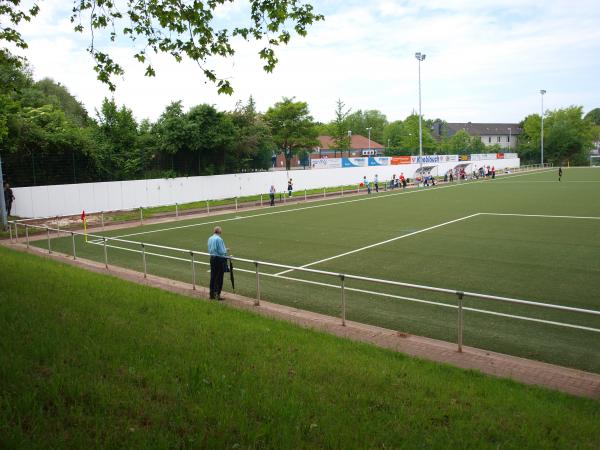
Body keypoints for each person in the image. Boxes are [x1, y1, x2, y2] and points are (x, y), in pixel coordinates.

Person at [207, 226, 228, 300]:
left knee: (213, 277)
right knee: (219, 278)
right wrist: (226, 250)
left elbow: (209, 249)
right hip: (219, 259)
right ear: (220, 231)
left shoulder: (210, 238)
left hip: (212, 258)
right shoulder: (219, 239)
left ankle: (211, 294)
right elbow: (222, 251)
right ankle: (217, 295)